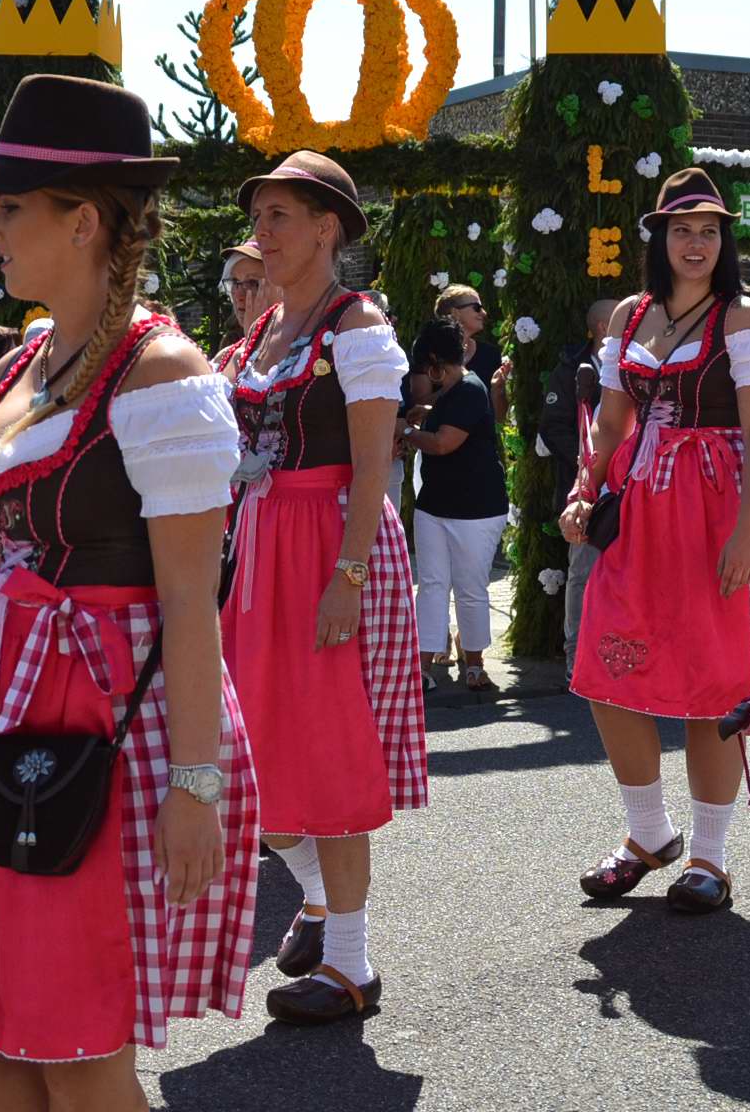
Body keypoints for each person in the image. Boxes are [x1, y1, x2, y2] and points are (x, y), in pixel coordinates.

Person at [0, 74, 258, 1095]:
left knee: (78, 1057)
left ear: (82, 220)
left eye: (10, 208)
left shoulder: (162, 376)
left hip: (106, 728)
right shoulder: (22, 365)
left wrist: (197, 786)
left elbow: (191, 603)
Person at [223, 148, 424, 1026]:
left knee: (330, 753)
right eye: (259, 217)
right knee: (251, 751)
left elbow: (374, 465)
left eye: (278, 217)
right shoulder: (264, 330)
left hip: (328, 545)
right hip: (260, 548)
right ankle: (314, 897)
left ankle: (350, 965)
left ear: (325, 229)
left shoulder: (357, 324)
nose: (262, 232)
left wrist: (349, 574)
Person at [558, 168, 750, 919]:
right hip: (639, 505)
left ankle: (710, 856)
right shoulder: (632, 314)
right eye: (683, 230)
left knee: (709, 684)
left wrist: (747, 532)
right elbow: (611, 420)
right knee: (605, 668)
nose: (697, 243)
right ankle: (650, 832)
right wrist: (585, 488)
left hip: (713, 505)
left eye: (710, 231)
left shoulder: (743, 317)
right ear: (658, 238)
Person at [403, 318, 509, 693]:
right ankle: (423, 665)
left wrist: (405, 431)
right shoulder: (453, 390)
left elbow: (443, 443)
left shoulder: (468, 390)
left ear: (434, 363)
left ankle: (474, 664)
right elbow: (443, 418)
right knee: (432, 585)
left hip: (475, 508)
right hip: (436, 504)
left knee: (470, 587)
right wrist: (426, 413)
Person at [538, 298, 615, 654]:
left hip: (629, 486)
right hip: (586, 488)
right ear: (603, 328)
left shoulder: (638, 367)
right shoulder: (572, 369)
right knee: (583, 572)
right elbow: (553, 427)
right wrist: (589, 464)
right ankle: (577, 655)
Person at [434, 283, 510, 422]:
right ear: (455, 312)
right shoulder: (431, 352)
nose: (484, 313)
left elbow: (500, 419)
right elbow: (418, 404)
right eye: (477, 308)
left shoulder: (490, 354)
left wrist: (497, 391)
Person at [214, 241, 269, 366]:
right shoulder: (224, 355)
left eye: (252, 283)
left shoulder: (301, 349)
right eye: (234, 281)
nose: (239, 295)